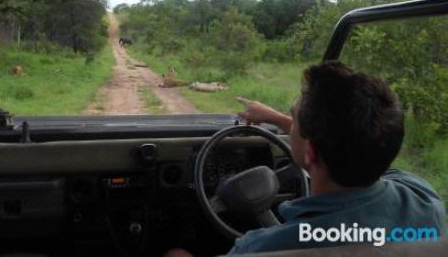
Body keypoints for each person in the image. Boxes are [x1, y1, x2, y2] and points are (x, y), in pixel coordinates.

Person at [165, 61, 446, 257]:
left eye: (294, 120)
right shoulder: (424, 198)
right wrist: (278, 119)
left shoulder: (262, 248)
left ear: (310, 152)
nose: (290, 126)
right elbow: (358, 141)